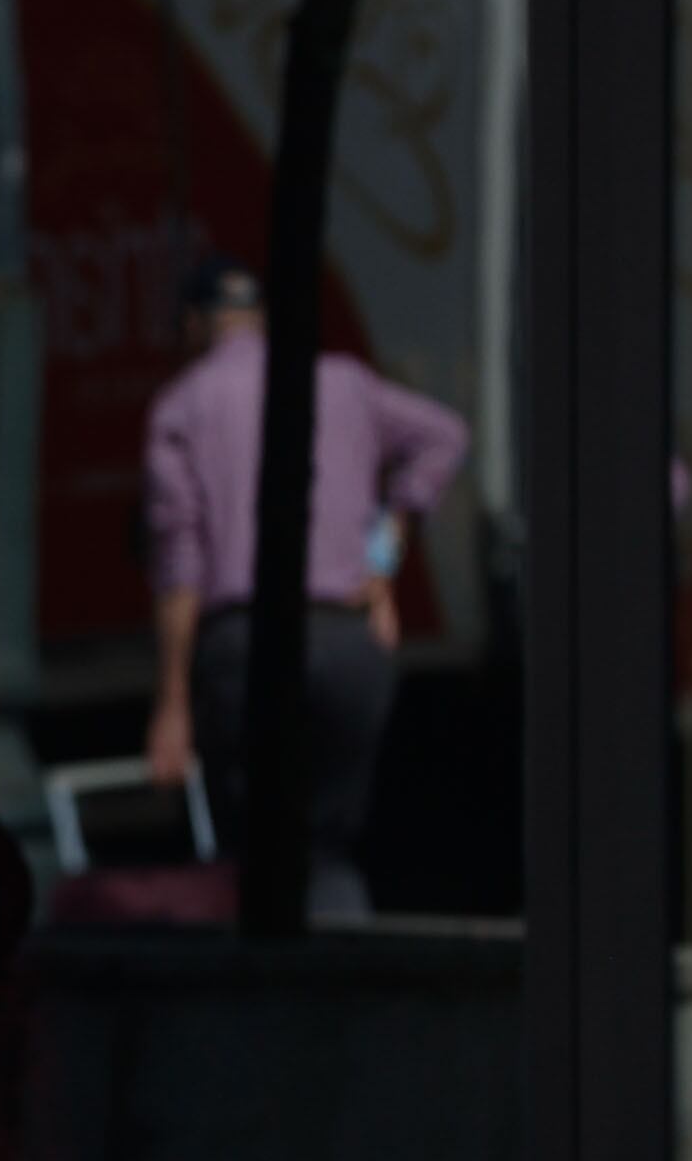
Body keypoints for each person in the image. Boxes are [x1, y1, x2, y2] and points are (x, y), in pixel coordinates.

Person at [138, 259, 468, 920]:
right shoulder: (343, 383)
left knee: (258, 848)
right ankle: (345, 998)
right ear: (261, 318)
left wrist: (171, 701)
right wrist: (385, 549)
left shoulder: (182, 405)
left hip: (246, 639)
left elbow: (182, 570)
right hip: (348, 638)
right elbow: (445, 436)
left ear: (195, 325)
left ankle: (270, 1007)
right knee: (331, 846)